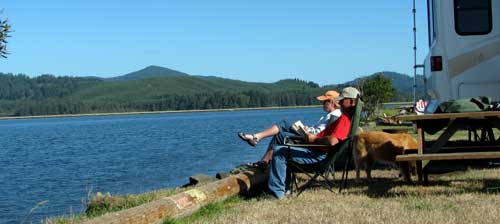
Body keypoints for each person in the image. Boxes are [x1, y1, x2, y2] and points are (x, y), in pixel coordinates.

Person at [267, 86, 360, 199]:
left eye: (342, 100)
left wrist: (313, 139)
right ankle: (283, 188)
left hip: (318, 155)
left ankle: (276, 194)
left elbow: (332, 141)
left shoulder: (345, 120)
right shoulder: (347, 118)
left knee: (279, 151)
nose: (339, 102)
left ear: (352, 101)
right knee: (282, 140)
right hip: (316, 149)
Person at [237, 90, 342, 168]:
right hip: (310, 137)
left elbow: (325, 134)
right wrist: (308, 128)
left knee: (284, 124)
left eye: (324, 102)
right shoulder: (331, 115)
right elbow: (321, 130)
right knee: (280, 132)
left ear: (332, 102)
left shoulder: (335, 115)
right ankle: (263, 160)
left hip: (311, 142)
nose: (322, 104)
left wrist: (308, 131)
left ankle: (257, 139)